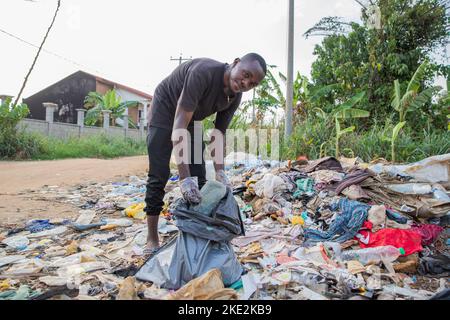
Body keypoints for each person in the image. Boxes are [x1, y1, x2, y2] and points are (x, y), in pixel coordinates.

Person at [144, 53, 267, 252]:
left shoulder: (234, 96)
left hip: (192, 120)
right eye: (245, 74)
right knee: (159, 175)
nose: (245, 83)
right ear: (235, 62)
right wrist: (184, 179)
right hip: (165, 111)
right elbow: (179, 126)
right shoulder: (203, 72)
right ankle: (152, 237)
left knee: (200, 178)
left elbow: (219, 134)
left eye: (251, 83)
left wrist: (220, 172)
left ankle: (195, 233)